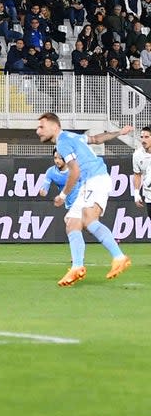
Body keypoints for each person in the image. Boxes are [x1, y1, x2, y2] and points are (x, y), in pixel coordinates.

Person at [34, 112, 133, 286]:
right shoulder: (72, 136)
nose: (38, 130)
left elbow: (75, 171)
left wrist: (63, 195)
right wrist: (119, 133)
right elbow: (96, 139)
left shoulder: (63, 142)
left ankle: (119, 257)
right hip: (89, 182)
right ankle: (77, 267)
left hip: (96, 178)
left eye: (42, 126)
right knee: (72, 223)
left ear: (54, 126)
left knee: (88, 220)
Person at [132, 126, 151, 217]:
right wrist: (136, 193)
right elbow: (137, 174)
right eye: (142, 137)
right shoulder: (137, 155)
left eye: (147, 137)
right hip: (149, 196)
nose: (143, 140)